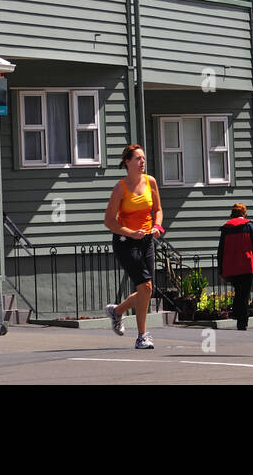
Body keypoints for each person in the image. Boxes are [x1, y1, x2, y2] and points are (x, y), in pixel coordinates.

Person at [103, 144, 163, 350]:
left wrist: (157, 226)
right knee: (145, 286)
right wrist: (130, 232)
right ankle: (142, 336)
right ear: (127, 162)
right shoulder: (121, 187)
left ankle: (117, 311)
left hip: (146, 239)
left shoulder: (150, 182)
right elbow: (109, 221)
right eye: (138, 158)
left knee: (147, 290)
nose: (142, 162)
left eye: (143, 158)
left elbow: (158, 210)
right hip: (125, 242)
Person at [217, 203, 253, 330]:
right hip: (247, 265)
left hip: (231, 265)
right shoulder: (249, 226)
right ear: (244, 213)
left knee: (239, 291)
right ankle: (242, 321)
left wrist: (221, 268)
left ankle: (237, 314)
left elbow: (220, 250)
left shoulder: (226, 228)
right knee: (245, 293)